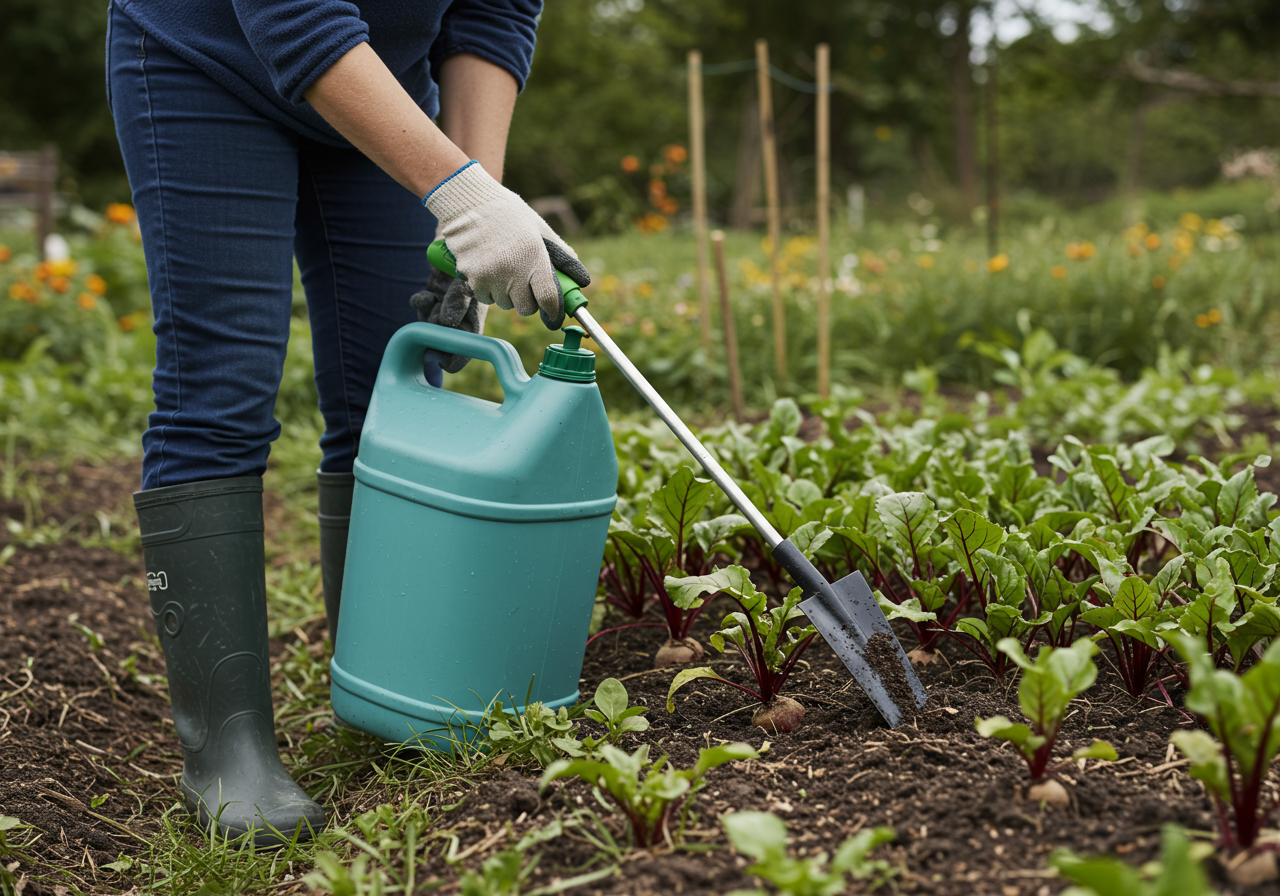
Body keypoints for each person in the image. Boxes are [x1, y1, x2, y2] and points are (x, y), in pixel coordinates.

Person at [106, 0, 587, 846]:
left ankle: (381, 689)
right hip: (206, 63)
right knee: (221, 394)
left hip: (381, 95)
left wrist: (475, 201)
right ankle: (227, 753)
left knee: (398, 393)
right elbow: (294, 14)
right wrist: (459, 191)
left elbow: (491, 13)